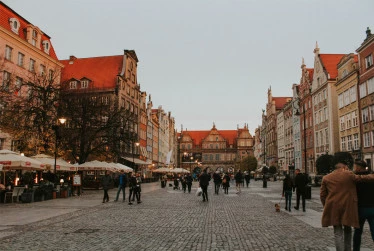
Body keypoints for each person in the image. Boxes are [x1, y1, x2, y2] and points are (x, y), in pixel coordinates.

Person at [320, 152, 374, 251]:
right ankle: (347, 249)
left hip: (333, 207)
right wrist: (372, 176)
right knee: (348, 230)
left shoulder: (326, 178)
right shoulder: (349, 175)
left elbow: (322, 195)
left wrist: (326, 205)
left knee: (337, 232)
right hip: (348, 207)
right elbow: (362, 178)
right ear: (344, 166)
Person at [353, 160, 374, 251]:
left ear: (358, 167)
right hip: (372, 207)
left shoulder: (355, 179)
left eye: (355, 166)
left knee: (357, 232)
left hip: (360, 208)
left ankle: (356, 249)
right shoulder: (372, 177)